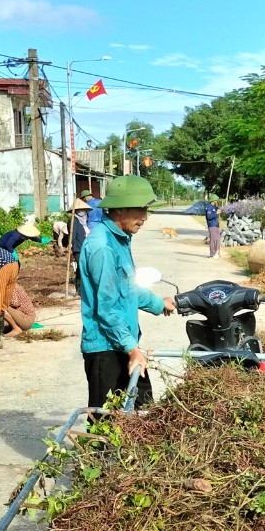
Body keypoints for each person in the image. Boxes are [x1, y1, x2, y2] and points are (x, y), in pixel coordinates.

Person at [78, 175, 175, 409]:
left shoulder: (120, 239)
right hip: (106, 348)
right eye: (140, 210)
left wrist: (158, 303)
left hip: (123, 342)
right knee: (107, 423)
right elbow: (108, 309)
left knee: (142, 410)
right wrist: (133, 350)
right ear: (120, 210)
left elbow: (128, 289)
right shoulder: (102, 247)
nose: (145, 218)